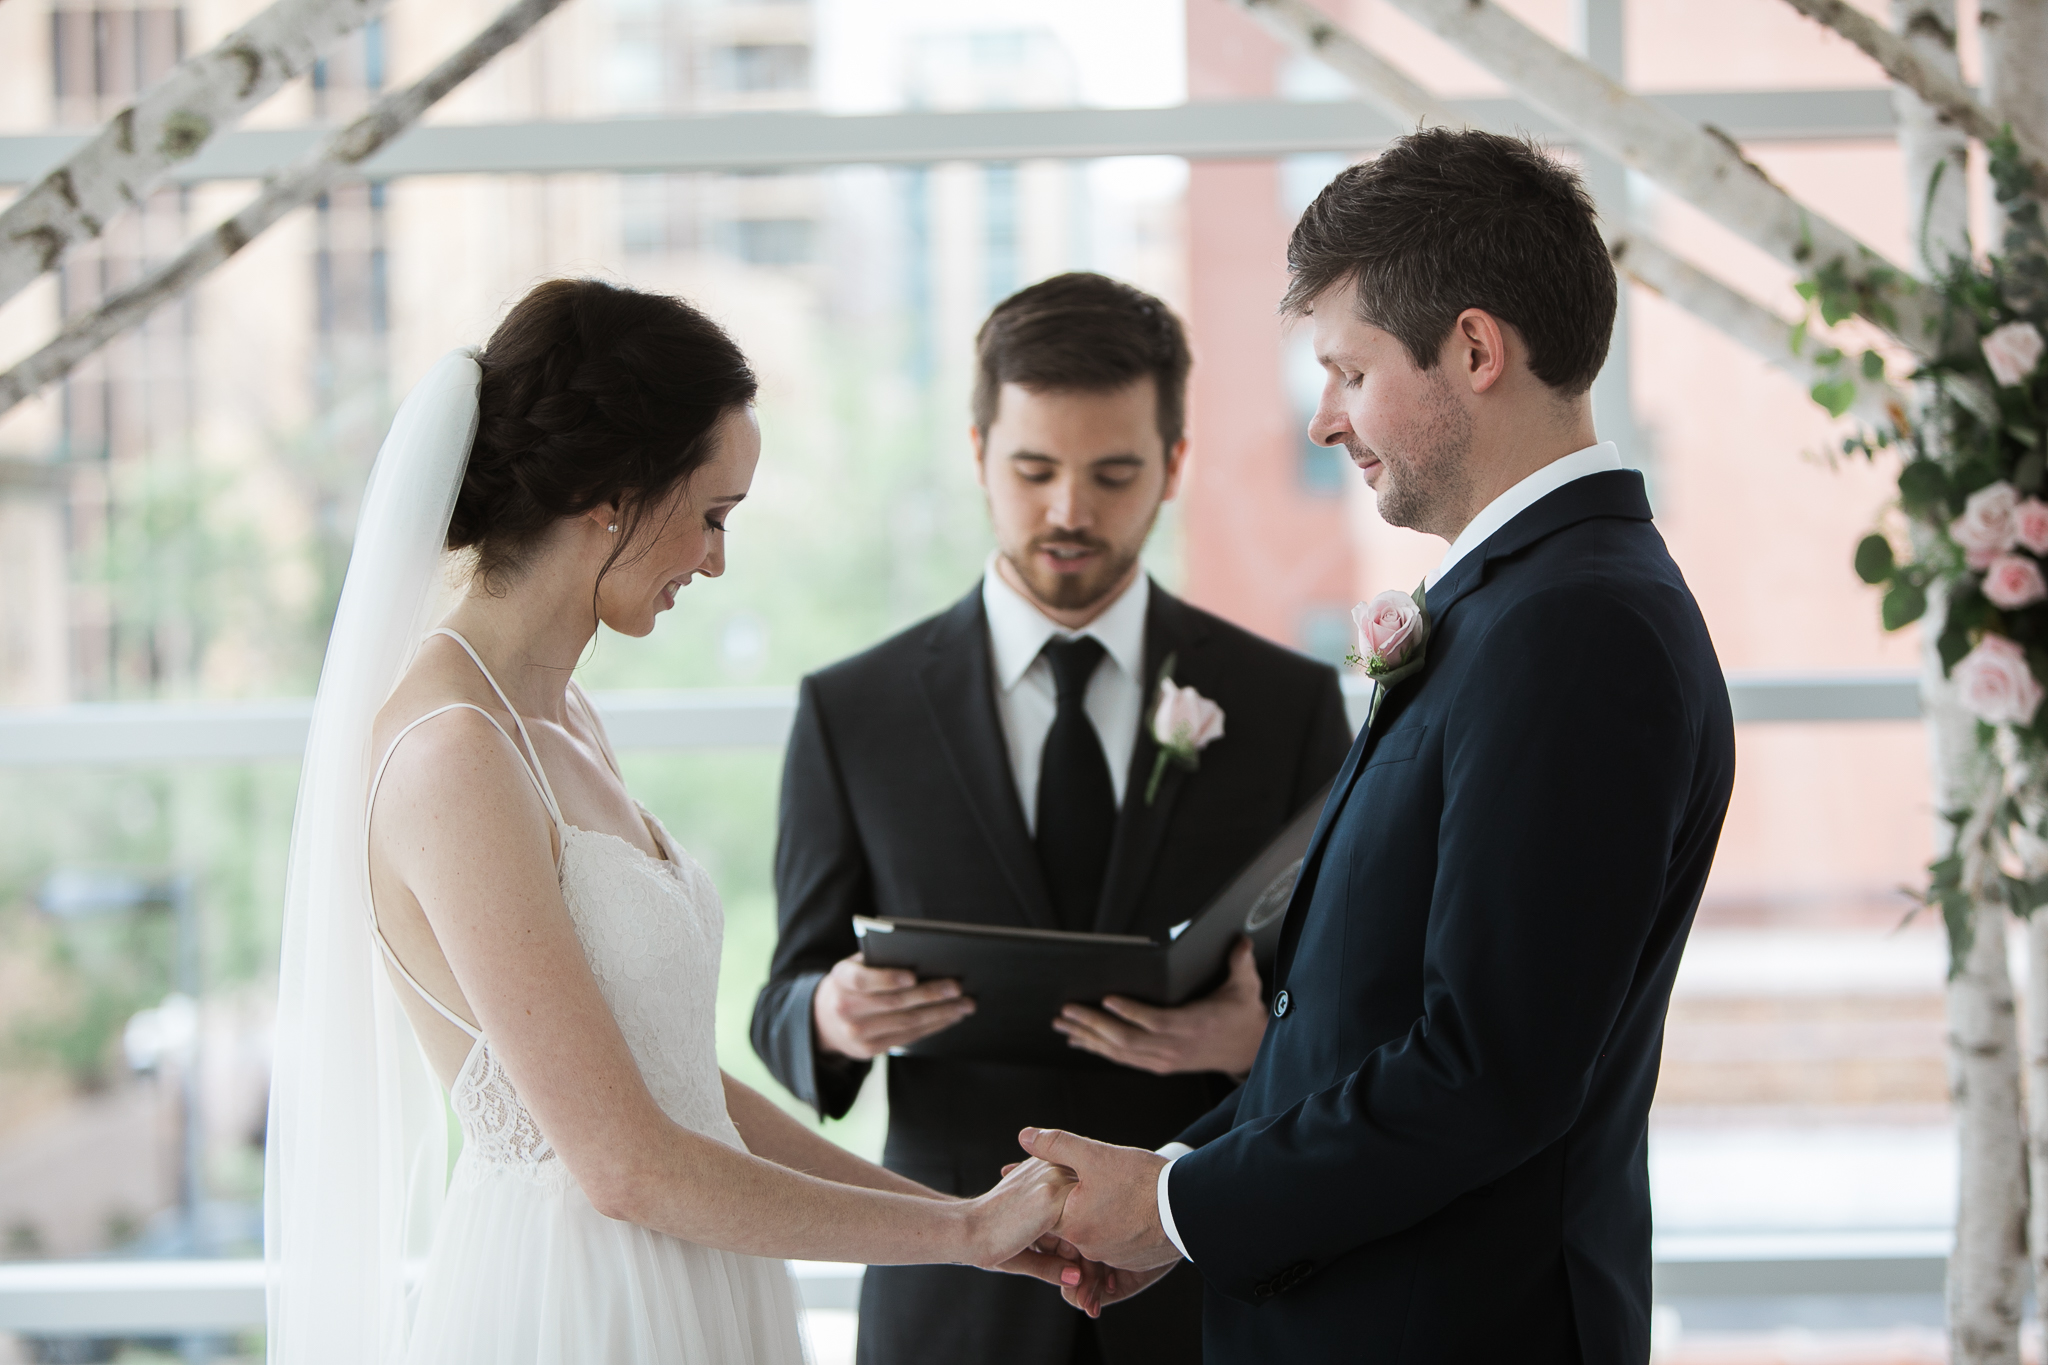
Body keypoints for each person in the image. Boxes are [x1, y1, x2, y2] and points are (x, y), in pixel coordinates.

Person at [264, 278, 1082, 1365]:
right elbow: (622, 1163)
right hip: (581, 1305)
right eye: (711, 516)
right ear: (612, 491)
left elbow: (685, 1092)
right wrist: (960, 1230)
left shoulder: (565, 719)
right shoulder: (453, 750)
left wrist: (959, 1226)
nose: (715, 559)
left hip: (697, 1272)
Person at [1021, 130, 1739, 1364]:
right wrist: (1177, 1193)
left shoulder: (1572, 626)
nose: (1321, 420)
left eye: (1345, 372)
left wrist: (1179, 1209)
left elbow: (1484, 1070)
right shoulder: (1517, 605)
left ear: (1471, 349)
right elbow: (1353, 1025)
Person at [750, 272, 1352, 1365]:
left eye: (1111, 473)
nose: (1068, 511)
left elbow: (1355, 1011)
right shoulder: (853, 712)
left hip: (1211, 1301)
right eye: (1032, 471)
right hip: (953, 1312)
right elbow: (780, 1010)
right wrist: (833, 1015)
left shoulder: (1286, 708)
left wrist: (1253, 1042)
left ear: (1171, 466)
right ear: (978, 452)